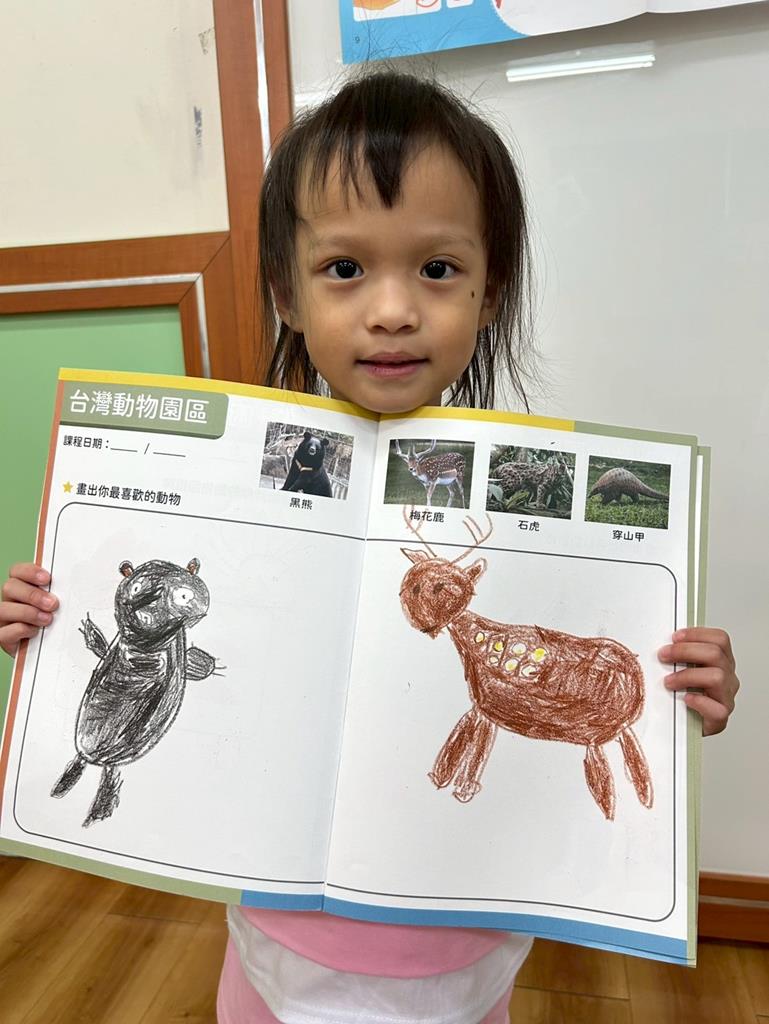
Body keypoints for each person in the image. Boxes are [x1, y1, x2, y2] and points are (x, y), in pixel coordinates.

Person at [0, 69, 740, 1024]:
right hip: (275, 952)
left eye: (436, 268)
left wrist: (684, 687)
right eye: (345, 269)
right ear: (288, 293)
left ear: (488, 291)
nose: (392, 309)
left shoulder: (541, 509)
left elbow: (606, 671)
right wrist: (41, 625)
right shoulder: (231, 488)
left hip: (464, 954)